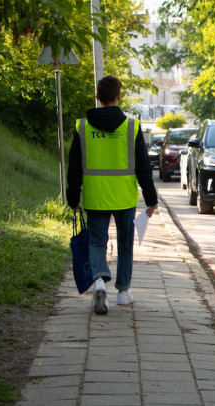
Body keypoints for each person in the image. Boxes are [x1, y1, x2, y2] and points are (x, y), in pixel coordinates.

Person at [66, 75, 158, 315]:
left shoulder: (83, 127)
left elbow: (73, 166)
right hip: (124, 197)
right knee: (125, 243)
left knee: (97, 241)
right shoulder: (131, 127)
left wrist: (72, 196)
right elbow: (143, 168)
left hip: (95, 196)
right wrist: (151, 199)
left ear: (98, 98)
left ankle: (98, 281)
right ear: (119, 97)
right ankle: (122, 293)